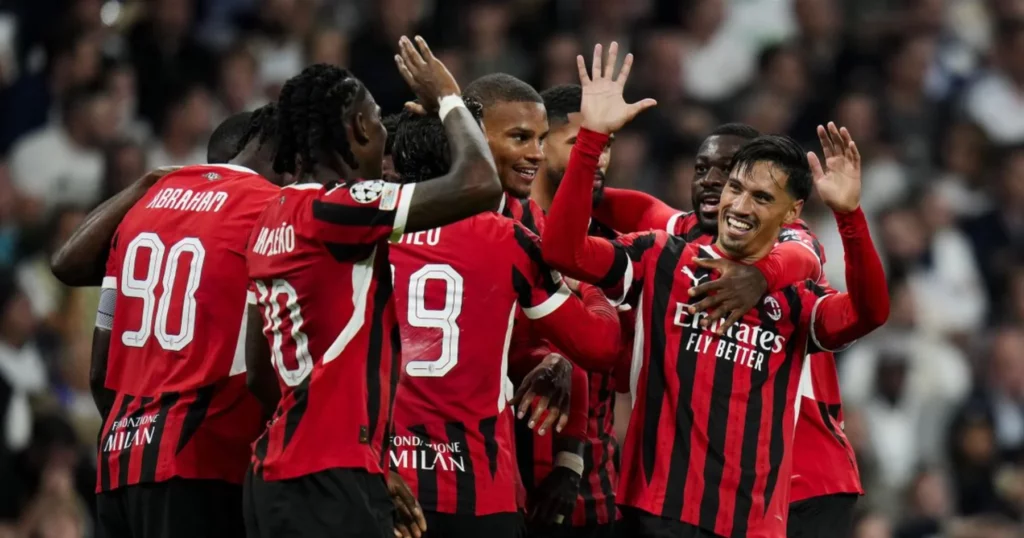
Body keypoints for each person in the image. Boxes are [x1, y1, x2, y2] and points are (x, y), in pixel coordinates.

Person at [541, 43, 889, 538]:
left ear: (791, 212)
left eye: (759, 194)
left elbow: (869, 311)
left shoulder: (795, 286)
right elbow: (567, 246)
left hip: (793, 493)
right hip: (656, 510)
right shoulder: (662, 252)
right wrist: (590, 139)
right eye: (727, 184)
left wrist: (849, 217)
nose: (730, 197)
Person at [241, 37, 503, 538]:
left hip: (275, 477)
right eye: (380, 121)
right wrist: (447, 98)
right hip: (328, 483)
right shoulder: (335, 209)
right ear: (359, 127)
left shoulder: (270, 217)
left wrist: (368, 457)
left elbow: (259, 372)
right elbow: (479, 184)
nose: (386, 134)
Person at [590, 124, 864, 536]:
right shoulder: (683, 240)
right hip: (723, 487)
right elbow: (631, 207)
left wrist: (761, 276)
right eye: (703, 170)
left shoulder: (788, 239)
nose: (714, 182)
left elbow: (807, 255)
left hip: (807, 474)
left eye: (732, 171)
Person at [386, 99, 623, 538]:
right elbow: (598, 345)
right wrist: (589, 288)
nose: (534, 151)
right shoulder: (511, 238)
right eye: (519, 138)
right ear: (472, 149)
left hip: (385, 478)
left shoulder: (364, 229)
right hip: (477, 487)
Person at [89, 130, 284, 537]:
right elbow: (260, 372)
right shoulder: (270, 209)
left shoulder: (143, 207)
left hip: (117, 459)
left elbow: (98, 366)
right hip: (200, 459)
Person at [514, 84, 622, 538]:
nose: (598, 157)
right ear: (539, 145)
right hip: (513, 479)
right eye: (579, 143)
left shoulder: (613, 241)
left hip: (596, 492)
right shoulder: (505, 230)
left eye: (606, 145)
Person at [50, 104, 286, 288]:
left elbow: (65, 264)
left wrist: (146, 183)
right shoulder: (264, 211)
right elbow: (66, 265)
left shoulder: (157, 208)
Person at [462, 73, 550, 233]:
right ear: (474, 135)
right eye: (521, 137)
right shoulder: (415, 217)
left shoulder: (537, 227)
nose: (538, 154)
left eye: (541, 140)